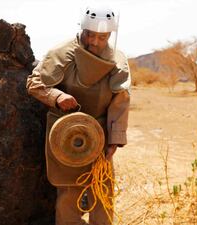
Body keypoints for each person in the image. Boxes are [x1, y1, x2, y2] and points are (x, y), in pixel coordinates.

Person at [26, 4, 130, 225]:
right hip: (66, 134)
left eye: (102, 37)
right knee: (69, 193)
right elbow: (34, 83)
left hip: (99, 135)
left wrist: (115, 139)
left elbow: (121, 100)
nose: (94, 41)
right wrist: (56, 96)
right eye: (90, 34)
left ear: (110, 34)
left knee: (103, 189)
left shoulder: (117, 59)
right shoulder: (61, 53)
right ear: (82, 29)